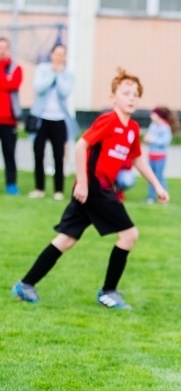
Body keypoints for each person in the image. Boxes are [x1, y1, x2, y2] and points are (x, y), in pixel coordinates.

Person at [10, 68, 169, 309]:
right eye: (126, 93)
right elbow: (80, 146)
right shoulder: (108, 120)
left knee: (67, 239)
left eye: (135, 94)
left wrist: (157, 185)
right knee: (129, 234)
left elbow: (137, 159)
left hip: (98, 189)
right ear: (113, 97)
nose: (131, 97)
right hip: (95, 187)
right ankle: (108, 292)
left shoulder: (132, 129)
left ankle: (25, 284)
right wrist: (82, 182)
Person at [28, 43, 78, 201]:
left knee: (59, 155)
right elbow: (39, 87)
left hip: (59, 119)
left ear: (65, 56)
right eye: (57, 53)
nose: (59, 57)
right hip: (41, 118)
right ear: (52, 55)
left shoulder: (68, 73)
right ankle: (39, 188)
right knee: (38, 154)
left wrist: (59, 74)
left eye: (62, 54)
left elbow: (65, 92)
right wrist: (52, 74)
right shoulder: (43, 69)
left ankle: (58, 190)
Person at [0, 37, 22, 195]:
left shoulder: (16, 67)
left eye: (4, 48)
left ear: (9, 49)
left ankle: (11, 184)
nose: (2, 51)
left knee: (9, 153)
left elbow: (13, 84)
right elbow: (6, 83)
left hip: (9, 121)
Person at [145, 106, 180, 204]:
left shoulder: (165, 128)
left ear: (159, 116)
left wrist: (153, 140)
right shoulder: (152, 125)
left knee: (159, 177)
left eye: (153, 113)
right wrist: (147, 140)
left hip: (160, 157)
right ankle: (150, 197)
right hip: (151, 155)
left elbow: (165, 142)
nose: (151, 115)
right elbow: (148, 136)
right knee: (150, 177)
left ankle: (163, 196)